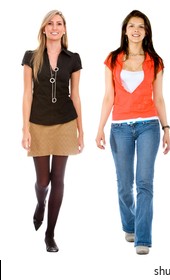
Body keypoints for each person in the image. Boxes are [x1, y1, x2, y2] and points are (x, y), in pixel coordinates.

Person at [95, 10, 170, 255]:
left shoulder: (155, 61)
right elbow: (108, 97)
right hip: (120, 128)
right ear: (125, 30)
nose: (136, 30)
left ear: (146, 31)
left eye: (141, 26)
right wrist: (100, 128)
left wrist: (166, 128)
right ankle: (129, 224)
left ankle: (143, 238)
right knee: (124, 183)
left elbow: (158, 97)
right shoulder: (113, 59)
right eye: (131, 25)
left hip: (148, 125)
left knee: (144, 182)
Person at [21, 10, 84, 253]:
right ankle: (40, 203)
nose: (54, 27)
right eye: (50, 24)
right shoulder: (31, 57)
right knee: (42, 181)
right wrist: (25, 128)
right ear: (44, 29)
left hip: (65, 122)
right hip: (37, 122)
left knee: (58, 179)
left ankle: (50, 234)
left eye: (59, 24)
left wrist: (81, 129)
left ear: (64, 29)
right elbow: (27, 94)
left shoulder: (73, 58)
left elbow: (75, 95)